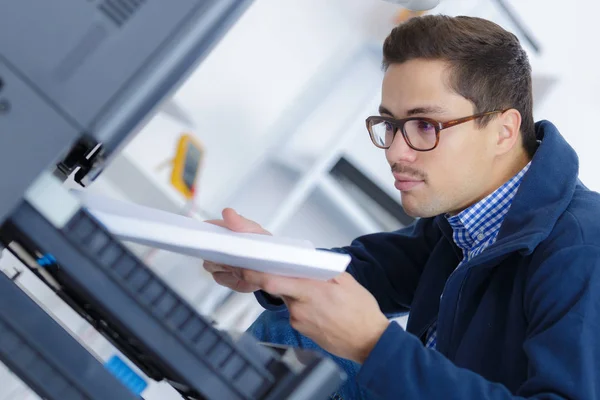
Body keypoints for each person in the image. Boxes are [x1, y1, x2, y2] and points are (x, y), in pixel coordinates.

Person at [204, 14, 600, 400]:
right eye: (389, 124)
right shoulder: (466, 215)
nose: (395, 151)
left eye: (425, 125)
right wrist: (274, 265)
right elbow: (376, 270)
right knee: (291, 326)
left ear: (503, 131)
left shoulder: (582, 250)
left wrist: (374, 345)